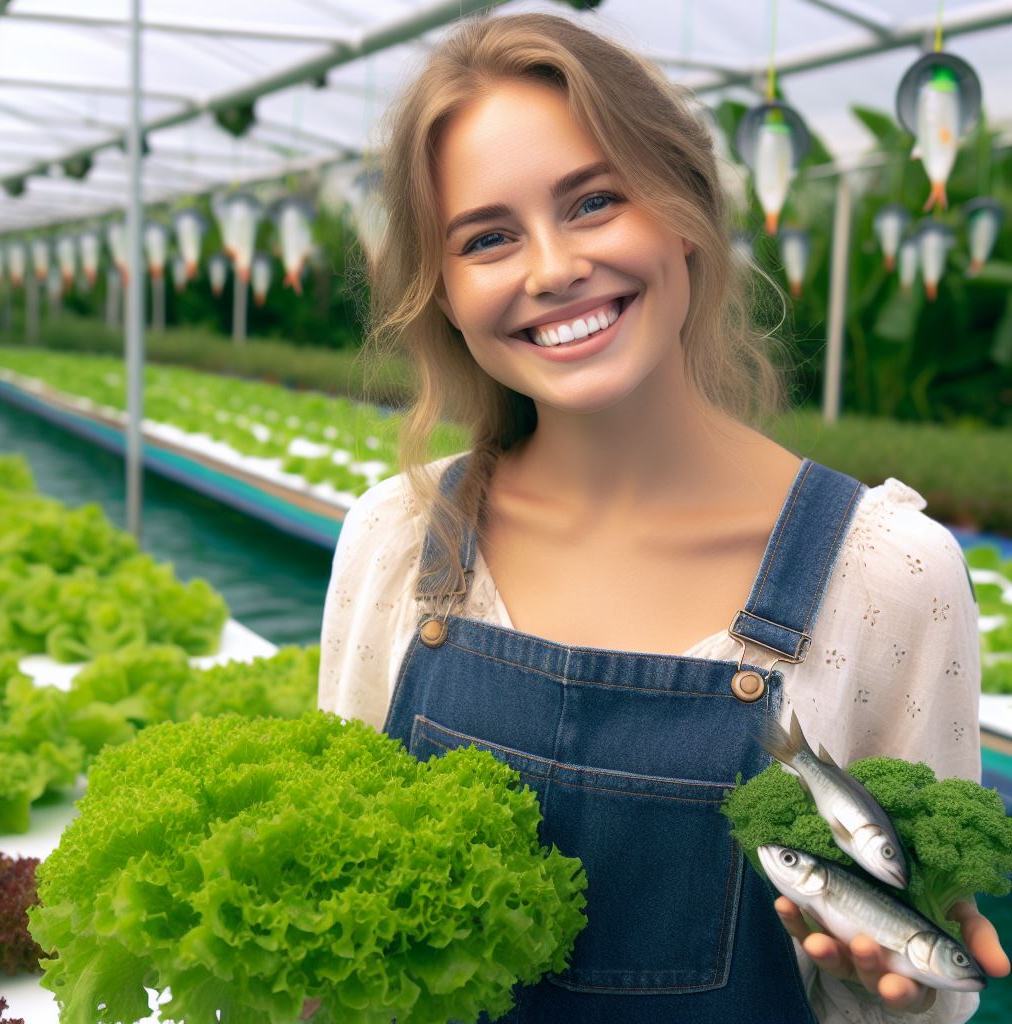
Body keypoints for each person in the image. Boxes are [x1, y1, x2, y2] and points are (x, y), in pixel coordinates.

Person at [318, 11, 1007, 1023]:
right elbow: (335, 913)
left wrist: (891, 983)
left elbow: (912, 967)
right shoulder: (394, 539)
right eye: (488, 237)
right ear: (448, 295)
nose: (550, 268)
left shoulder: (892, 574)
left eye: (593, 201)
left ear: (683, 210)